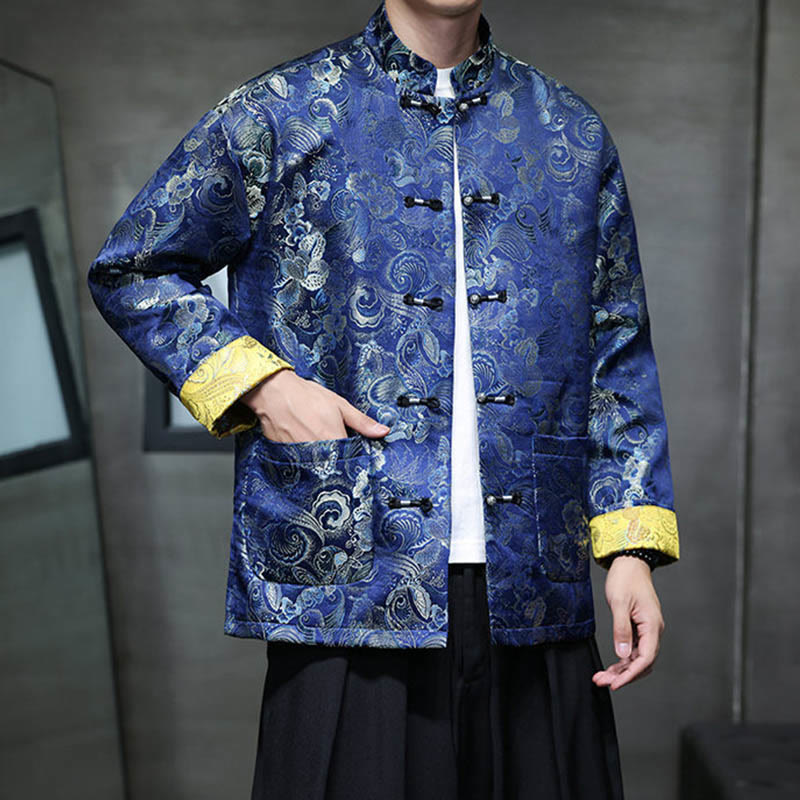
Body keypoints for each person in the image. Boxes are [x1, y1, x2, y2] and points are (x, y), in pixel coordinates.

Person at [87, 1, 681, 797]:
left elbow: (617, 346)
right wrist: (265, 385)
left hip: (535, 585)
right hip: (349, 586)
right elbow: (134, 268)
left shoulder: (571, 132)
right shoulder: (284, 110)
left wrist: (630, 551)